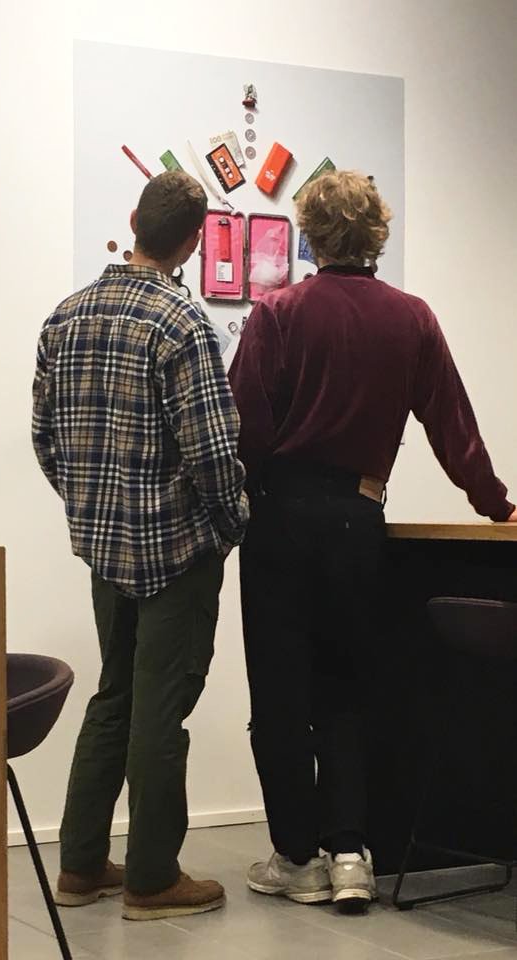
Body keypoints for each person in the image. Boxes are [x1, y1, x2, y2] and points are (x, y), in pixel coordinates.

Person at [228, 170, 516, 914]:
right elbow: (454, 427)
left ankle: (297, 857)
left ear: (311, 235)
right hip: (360, 519)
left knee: (283, 693)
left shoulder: (278, 313)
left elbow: (246, 430)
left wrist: (243, 505)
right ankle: (352, 852)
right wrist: (496, 505)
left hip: (281, 518)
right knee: (349, 689)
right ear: (377, 234)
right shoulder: (412, 318)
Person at [32, 171, 249, 921]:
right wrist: (233, 521)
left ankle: (83, 865)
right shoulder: (181, 324)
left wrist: (93, 511)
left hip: (104, 549)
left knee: (114, 694)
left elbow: (45, 440)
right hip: (175, 553)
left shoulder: (65, 317)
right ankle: (154, 878)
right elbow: (215, 453)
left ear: (133, 221)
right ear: (193, 241)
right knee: (162, 709)